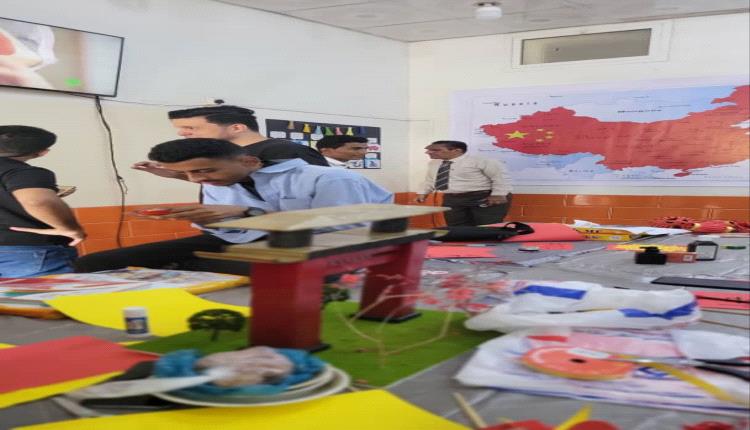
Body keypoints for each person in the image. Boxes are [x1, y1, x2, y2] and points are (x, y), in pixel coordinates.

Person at [74, 138, 392, 273]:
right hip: (249, 241)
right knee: (97, 262)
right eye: (188, 174)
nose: (198, 180)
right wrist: (208, 219)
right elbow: (230, 231)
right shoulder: (218, 182)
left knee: (202, 269)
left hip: (323, 248)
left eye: (205, 171)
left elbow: (342, 231)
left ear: (249, 161)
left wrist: (248, 213)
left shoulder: (327, 179)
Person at [131, 105, 328, 180]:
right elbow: (232, 182)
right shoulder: (219, 155)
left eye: (191, 128)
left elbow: (315, 189)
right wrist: (174, 173)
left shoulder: (287, 151)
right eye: (180, 128)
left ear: (237, 128)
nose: (182, 133)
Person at [0, 125, 85, 277]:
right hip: (26, 253)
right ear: (42, 152)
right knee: (49, 293)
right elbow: (37, 202)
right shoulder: (22, 172)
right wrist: (70, 228)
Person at [415, 140, 512, 226]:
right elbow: (430, 180)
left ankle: (487, 242)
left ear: (457, 151)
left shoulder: (482, 161)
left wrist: (498, 194)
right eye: (429, 150)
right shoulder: (434, 163)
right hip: (452, 199)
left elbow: (500, 178)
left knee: (486, 226)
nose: (428, 152)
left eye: (435, 150)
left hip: (483, 197)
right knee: (456, 227)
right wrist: (423, 193)